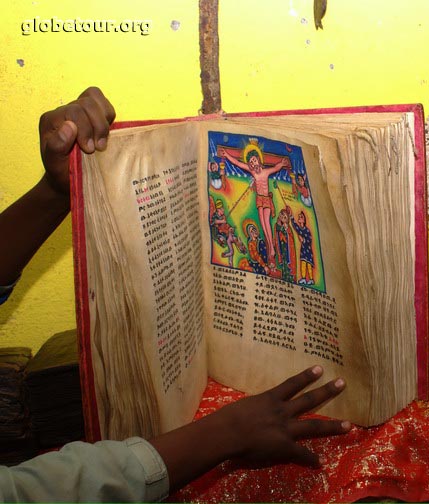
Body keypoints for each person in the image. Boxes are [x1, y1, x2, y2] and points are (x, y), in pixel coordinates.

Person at [0, 87, 352, 502]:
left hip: (271, 210)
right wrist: (226, 434)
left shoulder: (266, 174)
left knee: (277, 247)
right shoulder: (248, 174)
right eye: (253, 162)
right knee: (261, 246)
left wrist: (56, 190)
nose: (256, 164)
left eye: (258, 162)